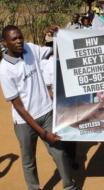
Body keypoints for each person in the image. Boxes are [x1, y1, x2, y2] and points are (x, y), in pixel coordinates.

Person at [0, 25, 77, 190]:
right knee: (29, 161)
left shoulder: (30, 48)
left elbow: (54, 52)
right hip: (24, 123)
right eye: (14, 39)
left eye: (20, 37)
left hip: (47, 112)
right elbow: (19, 107)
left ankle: (69, 186)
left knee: (59, 153)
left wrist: (58, 36)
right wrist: (43, 133)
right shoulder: (5, 70)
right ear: (5, 42)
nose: (19, 41)